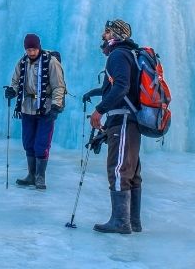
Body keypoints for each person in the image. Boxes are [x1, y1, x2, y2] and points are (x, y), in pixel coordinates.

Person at [86, 19, 142, 235]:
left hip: (123, 119)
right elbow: (112, 86)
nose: (103, 35)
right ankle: (133, 221)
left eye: (107, 31)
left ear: (116, 35)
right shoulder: (128, 55)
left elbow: (121, 87)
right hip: (130, 120)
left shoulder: (119, 54)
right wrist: (93, 94)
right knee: (131, 170)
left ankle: (121, 222)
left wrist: (99, 110)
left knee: (118, 169)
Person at [3, 33, 66, 190]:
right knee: (28, 142)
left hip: (46, 107)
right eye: (28, 50)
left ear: (39, 47)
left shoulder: (50, 62)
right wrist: (12, 90)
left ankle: (40, 177)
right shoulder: (22, 62)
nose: (31, 53)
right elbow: (16, 82)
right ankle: (31, 174)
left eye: (34, 49)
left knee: (42, 143)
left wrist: (57, 105)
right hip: (27, 107)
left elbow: (59, 85)